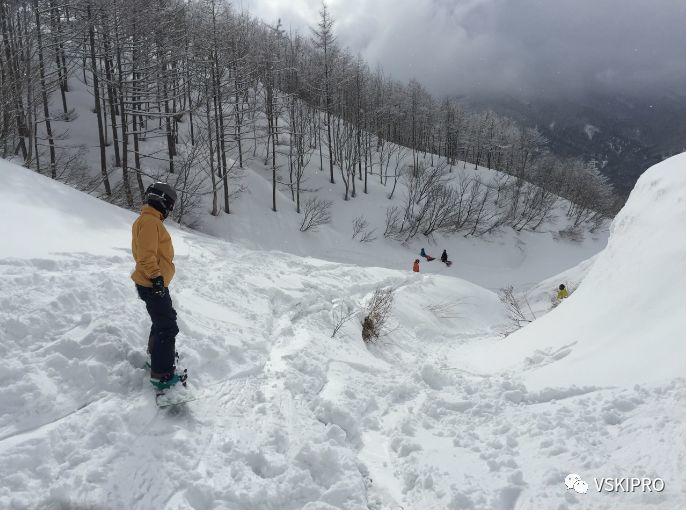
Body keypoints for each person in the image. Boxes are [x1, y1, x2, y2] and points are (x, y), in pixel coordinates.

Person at [131, 182, 182, 391]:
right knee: (168, 326)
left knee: (162, 320)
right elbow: (146, 255)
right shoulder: (151, 222)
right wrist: (157, 278)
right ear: (162, 202)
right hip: (153, 283)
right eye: (169, 206)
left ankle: (156, 357)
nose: (169, 211)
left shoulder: (147, 220)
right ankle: (162, 373)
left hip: (153, 281)